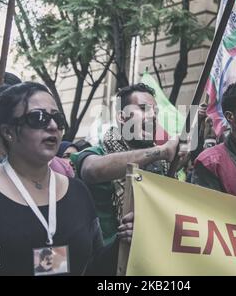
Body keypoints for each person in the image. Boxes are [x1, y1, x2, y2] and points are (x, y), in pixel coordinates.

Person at [0, 82, 131, 275]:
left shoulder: (78, 192)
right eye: (38, 118)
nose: (52, 126)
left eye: (57, 118)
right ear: (9, 132)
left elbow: (91, 267)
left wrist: (123, 241)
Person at [71, 83, 180, 244]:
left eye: (155, 112)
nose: (153, 116)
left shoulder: (163, 165)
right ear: (122, 117)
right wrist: (161, 151)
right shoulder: (94, 154)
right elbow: (92, 171)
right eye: (143, 108)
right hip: (105, 263)